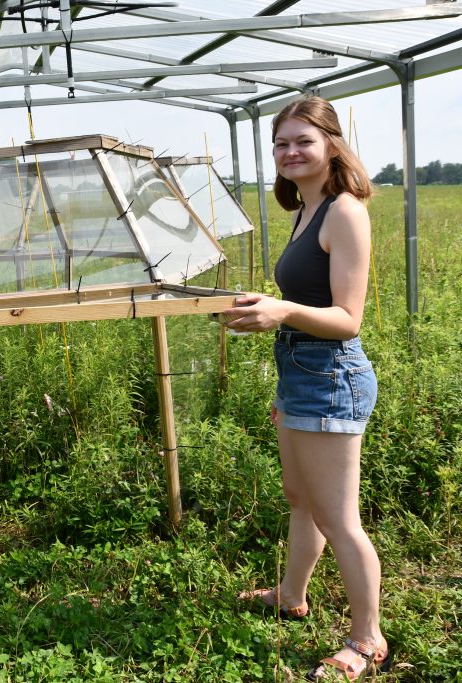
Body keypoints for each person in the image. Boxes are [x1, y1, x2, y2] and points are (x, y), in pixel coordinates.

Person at [221, 96, 389, 681]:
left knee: (339, 517)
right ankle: (292, 595)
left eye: (303, 142)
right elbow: (304, 302)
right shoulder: (307, 208)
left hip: (330, 374)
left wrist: (282, 310)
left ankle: (368, 640)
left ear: (331, 146)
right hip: (300, 369)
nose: (290, 153)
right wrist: (267, 311)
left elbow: (348, 318)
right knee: (301, 498)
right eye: (281, 144)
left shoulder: (344, 211)